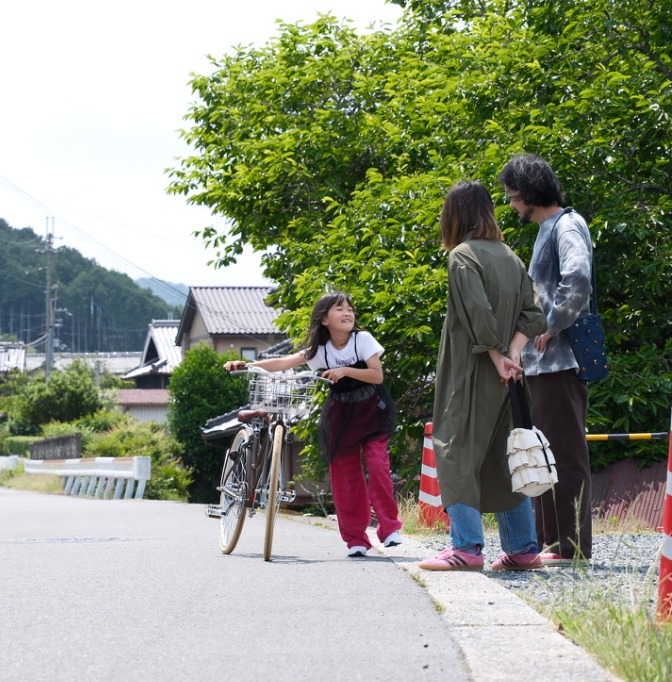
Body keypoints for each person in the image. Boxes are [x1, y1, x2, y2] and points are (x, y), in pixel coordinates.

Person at [418, 180, 547, 572]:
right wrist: (512, 354)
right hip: (509, 376)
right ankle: (524, 549)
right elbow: (534, 313)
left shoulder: (462, 256)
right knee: (501, 457)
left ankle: (467, 548)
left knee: (454, 450)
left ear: (453, 215)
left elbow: (477, 315)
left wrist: (495, 356)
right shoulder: (509, 256)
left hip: (471, 372)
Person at [223, 291, 402, 558]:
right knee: (345, 477)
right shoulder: (320, 350)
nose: (348, 313)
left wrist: (345, 371)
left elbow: (376, 376)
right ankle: (356, 539)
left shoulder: (362, 340)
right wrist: (247, 364)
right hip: (342, 415)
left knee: (378, 465)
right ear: (324, 320)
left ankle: (389, 529)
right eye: (340, 309)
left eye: (350, 308)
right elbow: (284, 362)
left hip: (371, 410)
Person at [499, 153, 594, 567]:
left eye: (512, 197)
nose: (511, 205)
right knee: (544, 454)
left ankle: (569, 547)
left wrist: (550, 326)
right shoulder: (547, 228)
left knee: (564, 453)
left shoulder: (567, 224)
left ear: (528, 193)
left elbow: (578, 279)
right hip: (542, 364)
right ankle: (552, 543)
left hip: (559, 361)